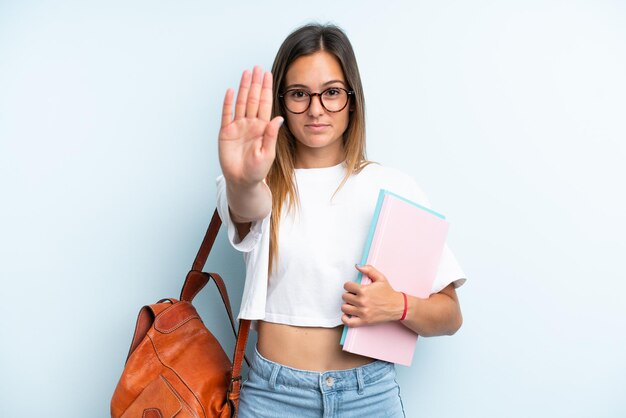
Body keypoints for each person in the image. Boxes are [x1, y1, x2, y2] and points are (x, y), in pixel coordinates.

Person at [216, 23, 467, 418]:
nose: (316, 109)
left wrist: (398, 306)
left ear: (352, 100)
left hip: (369, 396)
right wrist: (242, 179)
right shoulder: (253, 182)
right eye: (299, 94)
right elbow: (249, 207)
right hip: (274, 398)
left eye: (331, 93)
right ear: (282, 101)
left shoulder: (395, 187)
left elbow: (450, 315)